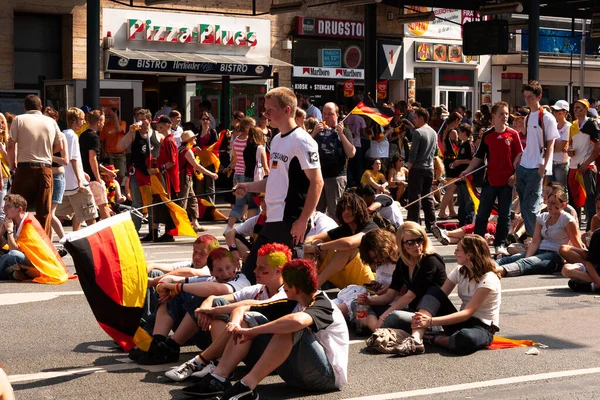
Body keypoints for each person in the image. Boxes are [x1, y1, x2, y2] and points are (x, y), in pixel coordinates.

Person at [181, 259, 348, 399]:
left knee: (290, 326)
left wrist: (252, 332)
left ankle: (246, 386)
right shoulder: (293, 300)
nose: (283, 287)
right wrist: (232, 321)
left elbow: (297, 321)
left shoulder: (323, 303)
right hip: (296, 375)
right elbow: (249, 306)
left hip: (325, 377)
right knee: (252, 318)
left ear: (296, 287)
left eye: (286, 283)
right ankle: (218, 378)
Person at [233, 87, 324, 284]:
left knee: (293, 280)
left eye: (270, 110)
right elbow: (273, 179)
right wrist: (248, 187)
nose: (265, 115)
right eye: (264, 110)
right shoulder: (275, 140)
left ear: (287, 110)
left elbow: (317, 182)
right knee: (253, 274)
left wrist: (303, 221)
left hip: (291, 220)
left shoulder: (303, 141)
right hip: (272, 218)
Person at [166, 243, 291, 382]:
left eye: (262, 269)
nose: (255, 271)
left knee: (247, 316)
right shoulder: (259, 288)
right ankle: (216, 362)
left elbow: (258, 304)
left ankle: (201, 361)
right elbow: (218, 298)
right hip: (251, 350)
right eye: (256, 266)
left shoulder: (287, 292)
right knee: (218, 302)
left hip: (273, 359)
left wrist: (214, 310)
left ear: (279, 271)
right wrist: (208, 304)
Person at [132, 247, 250, 365]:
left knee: (202, 296)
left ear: (235, 265)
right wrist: (164, 286)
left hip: (225, 337)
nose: (225, 273)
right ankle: (158, 344)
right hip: (202, 330)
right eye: (219, 270)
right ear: (212, 272)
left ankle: (171, 347)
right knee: (173, 295)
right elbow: (173, 278)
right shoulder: (210, 278)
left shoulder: (241, 280)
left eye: (228, 268)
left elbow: (219, 289)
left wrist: (176, 287)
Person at [392, 235, 501, 356]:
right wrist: (424, 317)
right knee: (433, 290)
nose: (454, 252)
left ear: (469, 255)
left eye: (458, 250)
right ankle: (416, 339)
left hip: (482, 328)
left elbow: (467, 313)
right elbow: (438, 297)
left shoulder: (489, 278)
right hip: (461, 323)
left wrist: (430, 322)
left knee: (466, 338)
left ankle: (433, 338)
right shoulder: (459, 271)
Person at [460, 101, 522, 256]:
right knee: (482, 214)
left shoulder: (513, 135)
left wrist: (515, 175)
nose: (504, 117)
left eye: (506, 113)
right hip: (490, 182)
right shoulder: (487, 135)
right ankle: (479, 243)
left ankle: (500, 244)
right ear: (493, 117)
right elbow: (478, 157)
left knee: (504, 215)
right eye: (501, 114)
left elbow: (520, 157)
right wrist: (467, 171)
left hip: (507, 182)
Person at [7, 94, 61, 236]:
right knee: (44, 210)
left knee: (17, 207)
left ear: (25, 107)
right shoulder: (51, 122)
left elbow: (11, 146)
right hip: (45, 168)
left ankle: (18, 239)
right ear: (41, 106)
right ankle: (44, 244)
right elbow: (59, 146)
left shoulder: (19, 119)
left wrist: (12, 166)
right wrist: (46, 152)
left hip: (25, 168)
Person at [497, 189, 584, 277]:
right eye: (549, 202)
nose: (549, 206)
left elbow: (576, 243)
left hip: (555, 256)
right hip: (539, 250)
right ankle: (485, 267)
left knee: (525, 263)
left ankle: (497, 271)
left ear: (563, 204)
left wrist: (584, 263)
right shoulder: (542, 217)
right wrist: (527, 256)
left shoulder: (567, 219)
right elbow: (535, 241)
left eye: (553, 203)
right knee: (510, 259)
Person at [304, 193, 377, 288]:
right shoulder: (344, 229)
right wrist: (309, 248)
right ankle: (307, 281)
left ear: (359, 209)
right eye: (343, 209)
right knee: (315, 242)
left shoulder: (370, 227)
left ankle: (314, 286)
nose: (346, 212)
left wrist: (319, 247)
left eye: (350, 208)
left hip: (368, 282)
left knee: (348, 249)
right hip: (345, 281)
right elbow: (310, 238)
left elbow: (348, 243)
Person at [517, 81, 560, 237]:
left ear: (539, 97)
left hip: (536, 166)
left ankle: (537, 238)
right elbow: (530, 142)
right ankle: (532, 237)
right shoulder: (528, 117)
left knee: (531, 206)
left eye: (530, 97)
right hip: (524, 165)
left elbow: (551, 143)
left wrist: (544, 164)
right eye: (525, 97)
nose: (527, 100)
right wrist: (520, 156)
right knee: (524, 206)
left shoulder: (547, 117)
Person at [118, 109, 162, 233]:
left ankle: (153, 231)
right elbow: (120, 146)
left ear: (149, 119)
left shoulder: (158, 135)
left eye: (143, 119)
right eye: (139, 119)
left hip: (153, 174)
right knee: (137, 202)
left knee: (153, 203)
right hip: (138, 172)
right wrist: (129, 132)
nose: (141, 122)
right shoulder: (134, 134)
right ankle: (134, 230)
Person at [56, 107, 98, 231]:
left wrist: (82, 172)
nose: (83, 122)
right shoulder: (73, 136)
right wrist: (80, 179)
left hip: (66, 183)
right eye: (81, 119)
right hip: (77, 185)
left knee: (59, 214)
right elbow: (73, 159)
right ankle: (95, 243)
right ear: (74, 120)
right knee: (90, 216)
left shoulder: (62, 134)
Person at [312, 102, 355, 217]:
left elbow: (351, 153)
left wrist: (341, 134)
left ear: (337, 115)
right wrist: (313, 133)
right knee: (317, 212)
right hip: (318, 177)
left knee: (334, 213)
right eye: (324, 114)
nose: (326, 117)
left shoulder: (344, 131)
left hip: (336, 177)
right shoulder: (317, 130)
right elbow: (305, 149)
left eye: (330, 114)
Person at [146, 115, 180, 242]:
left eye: (160, 124)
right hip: (163, 178)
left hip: (168, 179)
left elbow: (172, 161)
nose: (157, 126)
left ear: (168, 125)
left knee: (167, 205)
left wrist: (159, 169)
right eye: (157, 124)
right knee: (158, 203)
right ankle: (154, 233)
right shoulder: (165, 140)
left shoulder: (170, 141)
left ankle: (169, 233)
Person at [568, 99, 600, 231]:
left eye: (579, 108)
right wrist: (570, 152)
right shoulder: (573, 125)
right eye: (575, 107)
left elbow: (598, 146)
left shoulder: (592, 124)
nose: (576, 110)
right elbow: (570, 146)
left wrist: (586, 163)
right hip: (573, 167)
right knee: (574, 201)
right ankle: (574, 229)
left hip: (587, 167)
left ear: (586, 109)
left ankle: (590, 231)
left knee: (589, 201)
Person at [178, 130, 219, 232]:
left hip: (187, 177)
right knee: (183, 201)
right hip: (184, 178)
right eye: (194, 138)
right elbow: (197, 166)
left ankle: (195, 223)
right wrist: (211, 174)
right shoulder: (187, 151)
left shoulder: (183, 149)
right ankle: (180, 225)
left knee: (193, 200)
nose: (196, 139)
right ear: (189, 140)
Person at [80, 110, 116, 220]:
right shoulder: (94, 137)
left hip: (84, 175)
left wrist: (107, 171)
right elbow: (92, 158)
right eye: (103, 121)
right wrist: (98, 178)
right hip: (92, 177)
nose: (104, 124)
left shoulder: (83, 135)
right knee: (103, 205)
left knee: (88, 208)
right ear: (98, 122)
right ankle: (108, 232)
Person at [406, 107, 438, 231]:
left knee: (415, 197)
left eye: (415, 117)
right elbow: (436, 151)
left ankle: (413, 223)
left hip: (417, 168)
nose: (414, 120)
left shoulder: (418, 132)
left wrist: (409, 165)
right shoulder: (433, 132)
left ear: (421, 118)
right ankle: (431, 223)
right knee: (427, 196)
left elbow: (413, 153)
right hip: (429, 168)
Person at [224, 117, 258, 234]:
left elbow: (235, 158)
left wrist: (229, 167)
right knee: (252, 204)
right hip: (246, 174)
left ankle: (229, 227)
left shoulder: (237, 139)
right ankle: (249, 229)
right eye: (253, 126)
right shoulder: (249, 142)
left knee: (239, 203)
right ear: (248, 127)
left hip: (237, 174)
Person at [438, 112, 462, 220]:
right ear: (456, 120)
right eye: (459, 121)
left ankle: (451, 211)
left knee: (450, 187)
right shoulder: (453, 132)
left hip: (447, 160)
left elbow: (444, 148)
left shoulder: (446, 130)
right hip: (453, 161)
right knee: (451, 188)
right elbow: (457, 148)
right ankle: (442, 211)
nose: (459, 124)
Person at [451, 123, 475, 227]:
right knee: (461, 200)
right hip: (460, 177)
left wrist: (459, 162)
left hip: (467, 177)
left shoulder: (469, 145)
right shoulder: (462, 145)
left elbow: (472, 160)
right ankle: (461, 220)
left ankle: (468, 221)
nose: (458, 134)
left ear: (464, 133)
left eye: (459, 132)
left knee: (467, 201)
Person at [49, 125, 69, 239]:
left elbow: (65, 160)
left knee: (50, 214)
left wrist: (48, 156)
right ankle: (50, 244)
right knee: (47, 214)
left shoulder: (61, 136)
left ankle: (65, 241)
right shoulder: (44, 136)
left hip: (57, 177)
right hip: (45, 176)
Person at [195, 111, 219, 204]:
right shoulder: (197, 131)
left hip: (210, 160)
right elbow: (193, 143)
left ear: (210, 121)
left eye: (207, 119)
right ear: (200, 120)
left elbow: (216, 145)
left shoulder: (213, 132)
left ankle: (211, 206)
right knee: (199, 183)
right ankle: (201, 205)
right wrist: (195, 147)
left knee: (210, 183)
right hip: (199, 160)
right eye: (203, 119)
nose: (205, 121)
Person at [99, 108, 127, 183]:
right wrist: (104, 152)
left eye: (112, 115)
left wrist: (115, 119)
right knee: (110, 173)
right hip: (109, 153)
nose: (110, 117)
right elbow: (102, 141)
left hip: (120, 153)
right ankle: (112, 188)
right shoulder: (106, 126)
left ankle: (119, 187)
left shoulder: (122, 123)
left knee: (121, 174)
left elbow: (119, 130)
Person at [549, 100, 571, 187]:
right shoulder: (554, 125)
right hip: (551, 162)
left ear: (565, 112)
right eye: (554, 110)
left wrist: (549, 149)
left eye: (557, 111)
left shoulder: (568, 126)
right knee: (549, 188)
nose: (554, 113)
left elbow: (561, 146)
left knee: (560, 189)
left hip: (561, 164)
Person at [345, 111, 366, 187]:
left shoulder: (346, 119)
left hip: (348, 144)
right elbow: (363, 133)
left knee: (349, 165)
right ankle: (358, 182)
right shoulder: (360, 119)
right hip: (357, 144)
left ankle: (349, 182)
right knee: (358, 165)